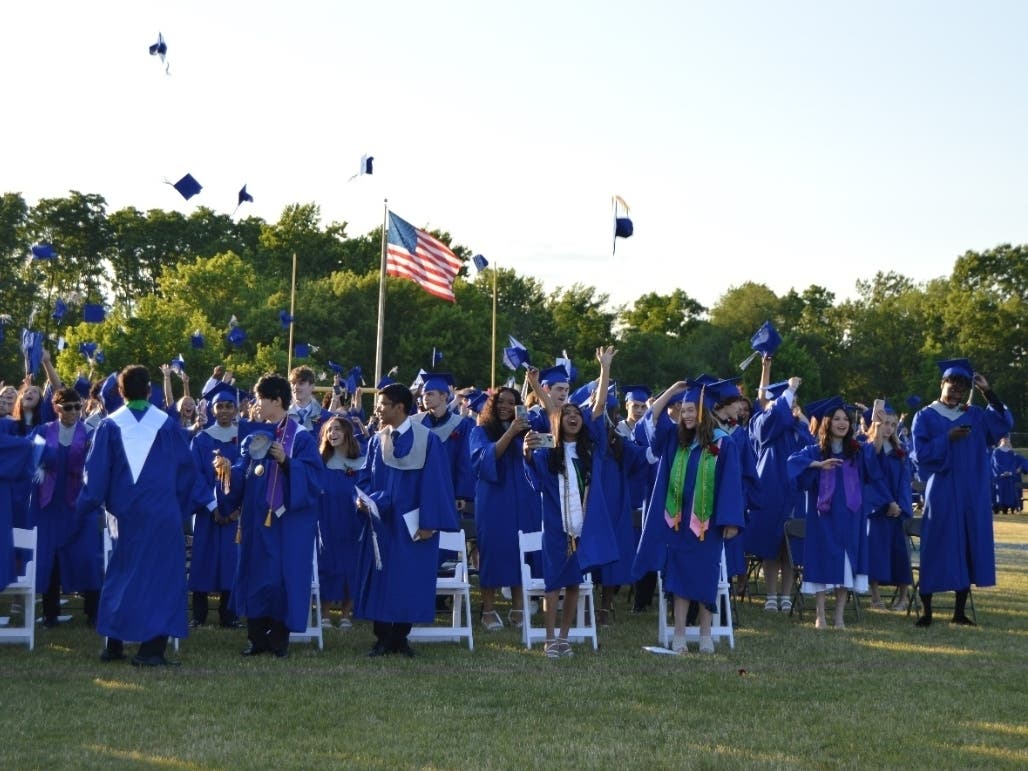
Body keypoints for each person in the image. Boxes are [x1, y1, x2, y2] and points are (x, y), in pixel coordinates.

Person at [75, 365, 200, 666]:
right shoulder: (168, 426)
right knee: (162, 578)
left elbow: (96, 478)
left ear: (120, 393)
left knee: (122, 575)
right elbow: (187, 474)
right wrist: (181, 508)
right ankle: (151, 650)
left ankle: (114, 645)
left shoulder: (109, 426)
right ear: (149, 391)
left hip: (125, 517)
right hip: (162, 514)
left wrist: (84, 507)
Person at [633, 378, 745, 654]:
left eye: (692, 410)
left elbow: (731, 483)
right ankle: (679, 635)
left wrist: (730, 520)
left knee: (706, 577)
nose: (686, 415)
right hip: (677, 521)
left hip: (707, 524)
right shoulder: (674, 439)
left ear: (704, 413)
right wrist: (671, 391)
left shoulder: (723, 443)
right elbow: (651, 419)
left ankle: (705, 635)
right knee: (678, 578)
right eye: (683, 411)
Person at [523, 346, 618, 658]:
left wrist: (604, 369)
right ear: (559, 422)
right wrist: (535, 384)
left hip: (584, 525)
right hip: (555, 525)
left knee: (575, 581)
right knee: (553, 582)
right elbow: (551, 407)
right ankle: (549, 638)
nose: (573, 417)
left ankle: (564, 637)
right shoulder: (550, 451)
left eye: (578, 415)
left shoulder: (591, 453)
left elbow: (600, 403)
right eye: (568, 415)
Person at [354, 383, 459, 657]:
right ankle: (382, 638)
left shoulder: (428, 440)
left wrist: (429, 522)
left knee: (409, 578)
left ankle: (400, 638)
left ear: (399, 407)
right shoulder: (378, 440)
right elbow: (365, 477)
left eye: (383, 404)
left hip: (414, 524)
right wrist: (363, 501)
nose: (377, 409)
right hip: (383, 523)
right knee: (381, 577)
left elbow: (436, 484)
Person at [910, 359, 1013, 627]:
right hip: (942, 492)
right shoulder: (925, 416)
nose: (955, 393)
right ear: (941, 385)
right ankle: (927, 612)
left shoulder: (976, 415)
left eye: (961, 389)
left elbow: (1003, 423)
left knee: (968, 546)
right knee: (936, 546)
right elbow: (919, 455)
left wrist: (987, 391)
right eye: (952, 387)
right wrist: (947, 438)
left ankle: (959, 612)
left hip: (972, 492)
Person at [228, 374, 323, 658]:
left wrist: (286, 462)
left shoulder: (301, 437)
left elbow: (315, 479)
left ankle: (279, 640)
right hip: (257, 521)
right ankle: (256, 639)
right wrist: (226, 469)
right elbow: (243, 470)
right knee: (256, 576)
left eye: (260, 399)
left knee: (281, 579)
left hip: (285, 523)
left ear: (276, 401)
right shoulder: (255, 435)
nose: (256, 405)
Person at [788, 397, 882, 629]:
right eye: (837, 419)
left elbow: (874, 456)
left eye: (845, 419)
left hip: (851, 519)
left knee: (847, 566)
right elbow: (792, 463)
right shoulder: (815, 451)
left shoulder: (856, 452)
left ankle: (839, 616)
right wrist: (817, 466)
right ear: (827, 423)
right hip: (823, 520)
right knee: (822, 562)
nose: (842, 423)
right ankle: (820, 614)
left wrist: (877, 427)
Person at [30, 387, 103, 628]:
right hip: (49, 505)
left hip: (80, 506)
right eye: (68, 407)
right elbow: (29, 457)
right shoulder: (43, 431)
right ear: (56, 408)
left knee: (86, 557)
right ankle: (50, 614)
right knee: (50, 558)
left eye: (78, 407)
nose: (74, 412)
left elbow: (98, 466)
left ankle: (92, 612)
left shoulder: (90, 433)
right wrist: (35, 466)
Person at [746, 362, 813, 613]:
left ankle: (786, 595)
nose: (791, 408)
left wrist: (804, 425)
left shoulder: (800, 430)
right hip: (771, 491)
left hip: (795, 493)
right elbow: (773, 417)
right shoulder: (761, 424)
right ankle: (771, 595)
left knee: (790, 546)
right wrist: (787, 392)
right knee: (771, 545)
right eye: (786, 403)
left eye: (794, 405)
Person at [469, 386, 538, 630]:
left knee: (521, 550)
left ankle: (517, 608)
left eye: (511, 402)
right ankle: (487, 610)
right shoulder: (481, 431)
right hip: (494, 500)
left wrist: (529, 452)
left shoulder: (525, 432)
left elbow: (533, 466)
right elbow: (485, 458)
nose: (505, 406)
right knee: (493, 551)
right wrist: (510, 432)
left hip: (522, 499)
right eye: (500, 401)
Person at [188, 383, 244, 628]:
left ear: (235, 410)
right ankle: (199, 614)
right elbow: (194, 476)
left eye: (228, 406)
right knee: (203, 560)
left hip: (235, 514)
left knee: (231, 561)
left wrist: (236, 510)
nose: (224, 410)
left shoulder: (243, 438)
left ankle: (228, 615)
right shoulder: (201, 439)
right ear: (212, 410)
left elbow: (248, 472)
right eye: (219, 406)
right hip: (207, 513)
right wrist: (212, 507)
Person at [863, 405, 914, 611]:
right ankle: (875, 598)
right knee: (876, 552)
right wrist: (887, 502)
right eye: (886, 423)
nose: (890, 428)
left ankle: (903, 598)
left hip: (897, 512)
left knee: (901, 554)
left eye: (893, 424)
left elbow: (904, 482)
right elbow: (872, 479)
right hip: (878, 511)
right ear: (876, 424)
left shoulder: (899, 452)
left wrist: (900, 505)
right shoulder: (868, 450)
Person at [317, 415, 364, 629]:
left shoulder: (361, 461)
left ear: (347, 433)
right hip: (326, 518)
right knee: (327, 564)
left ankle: (346, 614)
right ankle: (324, 614)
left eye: (337, 429)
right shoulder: (320, 461)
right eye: (329, 430)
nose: (332, 433)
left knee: (351, 566)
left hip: (352, 519)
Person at [288, 365, 331, 431]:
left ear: (312, 386)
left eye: (301, 383)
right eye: (293, 383)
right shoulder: (282, 417)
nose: (296, 387)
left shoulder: (326, 417)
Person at [991, 436, 1028, 514]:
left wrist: (1017, 469)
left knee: (1012, 481)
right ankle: (999, 506)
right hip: (1000, 476)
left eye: (1007, 439)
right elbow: (996, 464)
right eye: (1004, 439)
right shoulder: (996, 452)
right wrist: (1004, 472)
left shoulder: (1012, 453)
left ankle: (1012, 506)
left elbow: (1021, 462)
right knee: (1001, 482)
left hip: (1011, 476)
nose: (1006, 441)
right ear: (1001, 439)